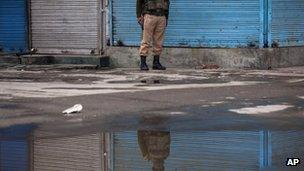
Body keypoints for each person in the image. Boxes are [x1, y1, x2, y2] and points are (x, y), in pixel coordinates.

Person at [136, 0, 170, 71]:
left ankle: (156, 63)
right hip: (149, 15)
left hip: (162, 16)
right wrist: (139, 16)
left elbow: (167, 3)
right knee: (146, 40)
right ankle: (143, 63)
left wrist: (166, 17)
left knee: (159, 41)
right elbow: (139, 2)